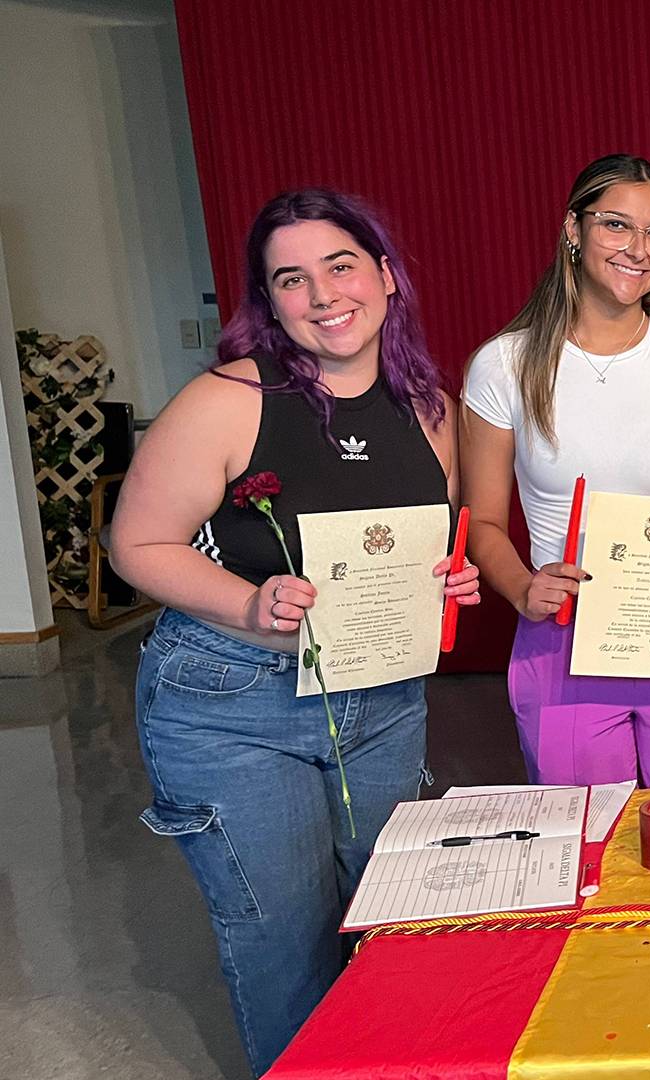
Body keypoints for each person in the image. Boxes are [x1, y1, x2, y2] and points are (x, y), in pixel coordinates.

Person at [112, 189, 480, 1076]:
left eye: (340, 265)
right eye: (292, 279)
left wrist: (446, 583)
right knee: (287, 944)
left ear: (386, 278)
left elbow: (419, 547)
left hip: (381, 698)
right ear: (269, 302)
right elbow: (136, 543)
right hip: (234, 700)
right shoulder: (227, 400)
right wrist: (248, 604)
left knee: (391, 919)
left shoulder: (430, 406)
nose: (322, 294)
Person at [461, 154, 650, 788]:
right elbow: (482, 520)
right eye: (616, 225)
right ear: (573, 229)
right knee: (589, 847)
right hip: (563, 633)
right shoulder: (504, 365)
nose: (639, 249)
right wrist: (520, 587)